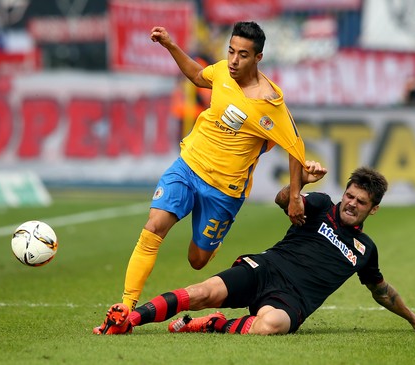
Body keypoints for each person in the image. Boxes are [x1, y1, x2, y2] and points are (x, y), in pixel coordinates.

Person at [95, 20, 308, 331]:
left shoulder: (269, 102)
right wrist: (170, 44)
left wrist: (295, 196)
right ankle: (126, 306)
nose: (234, 61)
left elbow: (295, 148)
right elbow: (197, 75)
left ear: (258, 58)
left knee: (198, 260)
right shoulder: (222, 71)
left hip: (224, 191)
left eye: (243, 55)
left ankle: (211, 242)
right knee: (154, 226)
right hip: (189, 165)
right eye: (232, 51)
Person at [93, 162, 415, 335]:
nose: (350, 204)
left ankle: (209, 325)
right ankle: (127, 321)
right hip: (267, 268)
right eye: (349, 195)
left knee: (268, 326)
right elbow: (284, 199)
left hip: (293, 301)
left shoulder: (365, 248)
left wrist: (412, 318)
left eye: (360, 202)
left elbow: (382, 291)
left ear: (372, 209)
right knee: (202, 290)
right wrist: (300, 180)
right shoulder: (318, 205)